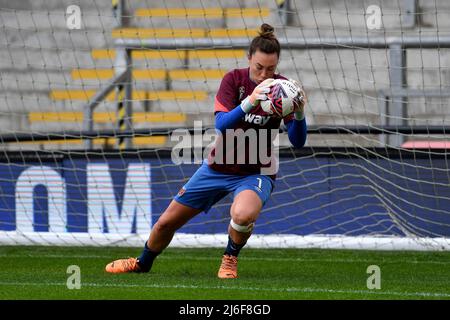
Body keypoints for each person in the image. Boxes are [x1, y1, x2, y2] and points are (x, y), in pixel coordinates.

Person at [105, 23, 308, 278]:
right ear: (249, 59)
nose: (264, 74)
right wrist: (251, 100)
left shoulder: (283, 90)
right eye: (258, 67)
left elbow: (298, 141)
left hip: (256, 171)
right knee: (166, 223)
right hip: (218, 167)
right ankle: (142, 263)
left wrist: (299, 112)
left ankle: (230, 258)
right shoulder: (234, 80)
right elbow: (221, 125)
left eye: (270, 69)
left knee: (243, 214)